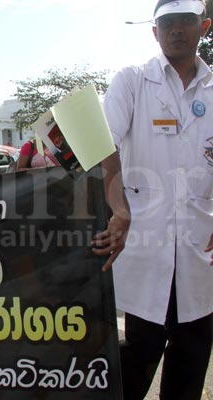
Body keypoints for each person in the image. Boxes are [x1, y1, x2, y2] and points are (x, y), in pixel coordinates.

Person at [102, 1, 213, 398]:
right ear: (155, 31)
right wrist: (119, 207)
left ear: (204, 26)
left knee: (191, 360)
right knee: (137, 357)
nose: (176, 30)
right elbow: (104, 144)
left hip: (201, 256)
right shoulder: (132, 81)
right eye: (167, 23)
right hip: (147, 249)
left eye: (186, 21)